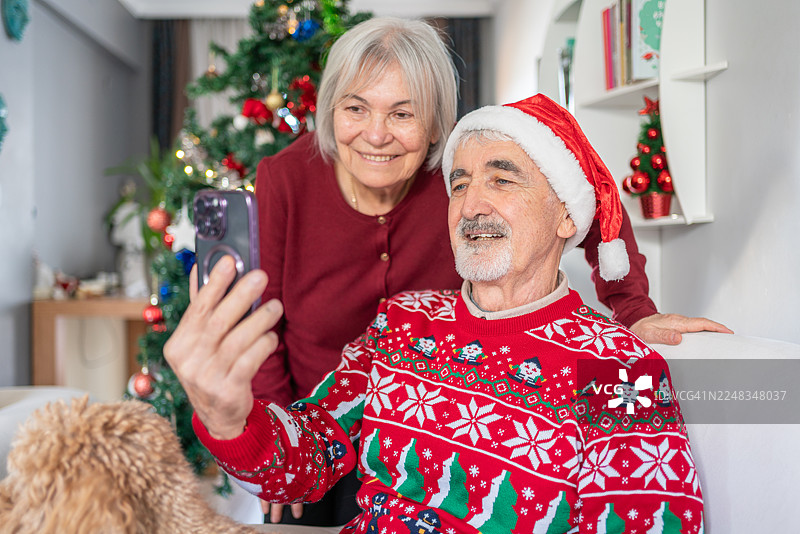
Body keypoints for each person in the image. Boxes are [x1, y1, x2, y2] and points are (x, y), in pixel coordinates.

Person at [250, 17, 727, 524]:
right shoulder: (291, 183)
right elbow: (259, 317)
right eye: (355, 108)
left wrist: (632, 314)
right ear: (330, 110)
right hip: (325, 410)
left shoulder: (460, 172)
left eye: (403, 113)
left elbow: (590, 200)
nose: (376, 134)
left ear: (434, 125)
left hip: (435, 399)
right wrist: (268, 429)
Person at [165, 93, 704, 533]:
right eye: (460, 184)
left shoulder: (620, 369)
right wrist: (228, 418)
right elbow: (302, 464)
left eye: (502, 179)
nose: (470, 205)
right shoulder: (402, 322)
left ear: (566, 215)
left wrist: (635, 311)